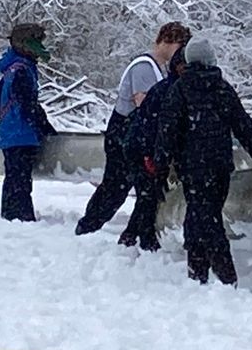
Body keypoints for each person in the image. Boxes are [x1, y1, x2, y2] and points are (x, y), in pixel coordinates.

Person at [155, 37, 252, 285]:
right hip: (219, 167)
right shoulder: (222, 88)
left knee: (202, 216)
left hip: (192, 168)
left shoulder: (180, 90)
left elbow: (167, 131)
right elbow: (243, 125)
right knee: (205, 214)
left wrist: (161, 165)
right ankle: (202, 272)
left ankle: (218, 272)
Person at [76, 21, 191, 237]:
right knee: (117, 187)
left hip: (134, 133)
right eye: (180, 46)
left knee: (142, 188)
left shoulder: (158, 69)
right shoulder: (144, 67)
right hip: (125, 132)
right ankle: (89, 227)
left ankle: (131, 233)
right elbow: (144, 103)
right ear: (168, 41)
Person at [119, 46, 188, 251]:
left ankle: (131, 236)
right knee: (149, 195)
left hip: (150, 148)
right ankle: (146, 241)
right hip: (142, 148)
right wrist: (150, 155)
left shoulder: (175, 89)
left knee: (150, 195)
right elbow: (151, 126)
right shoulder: (167, 91)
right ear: (177, 67)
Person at [0, 21, 56, 221]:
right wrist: (45, 128)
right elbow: (28, 105)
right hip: (21, 134)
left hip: (11, 133)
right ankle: (22, 219)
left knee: (13, 179)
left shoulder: (12, 68)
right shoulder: (22, 70)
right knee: (20, 182)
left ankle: (10, 216)